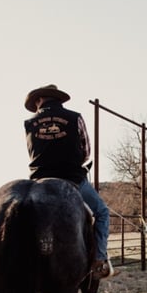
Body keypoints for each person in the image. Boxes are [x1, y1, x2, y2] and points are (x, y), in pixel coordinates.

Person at [23, 84, 118, 279]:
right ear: (57, 99)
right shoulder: (75, 117)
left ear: (40, 100)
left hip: (40, 181)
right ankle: (99, 260)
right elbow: (86, 150)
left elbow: (32, 152)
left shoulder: (29, 123)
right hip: (72, 179)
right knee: (101, 213)